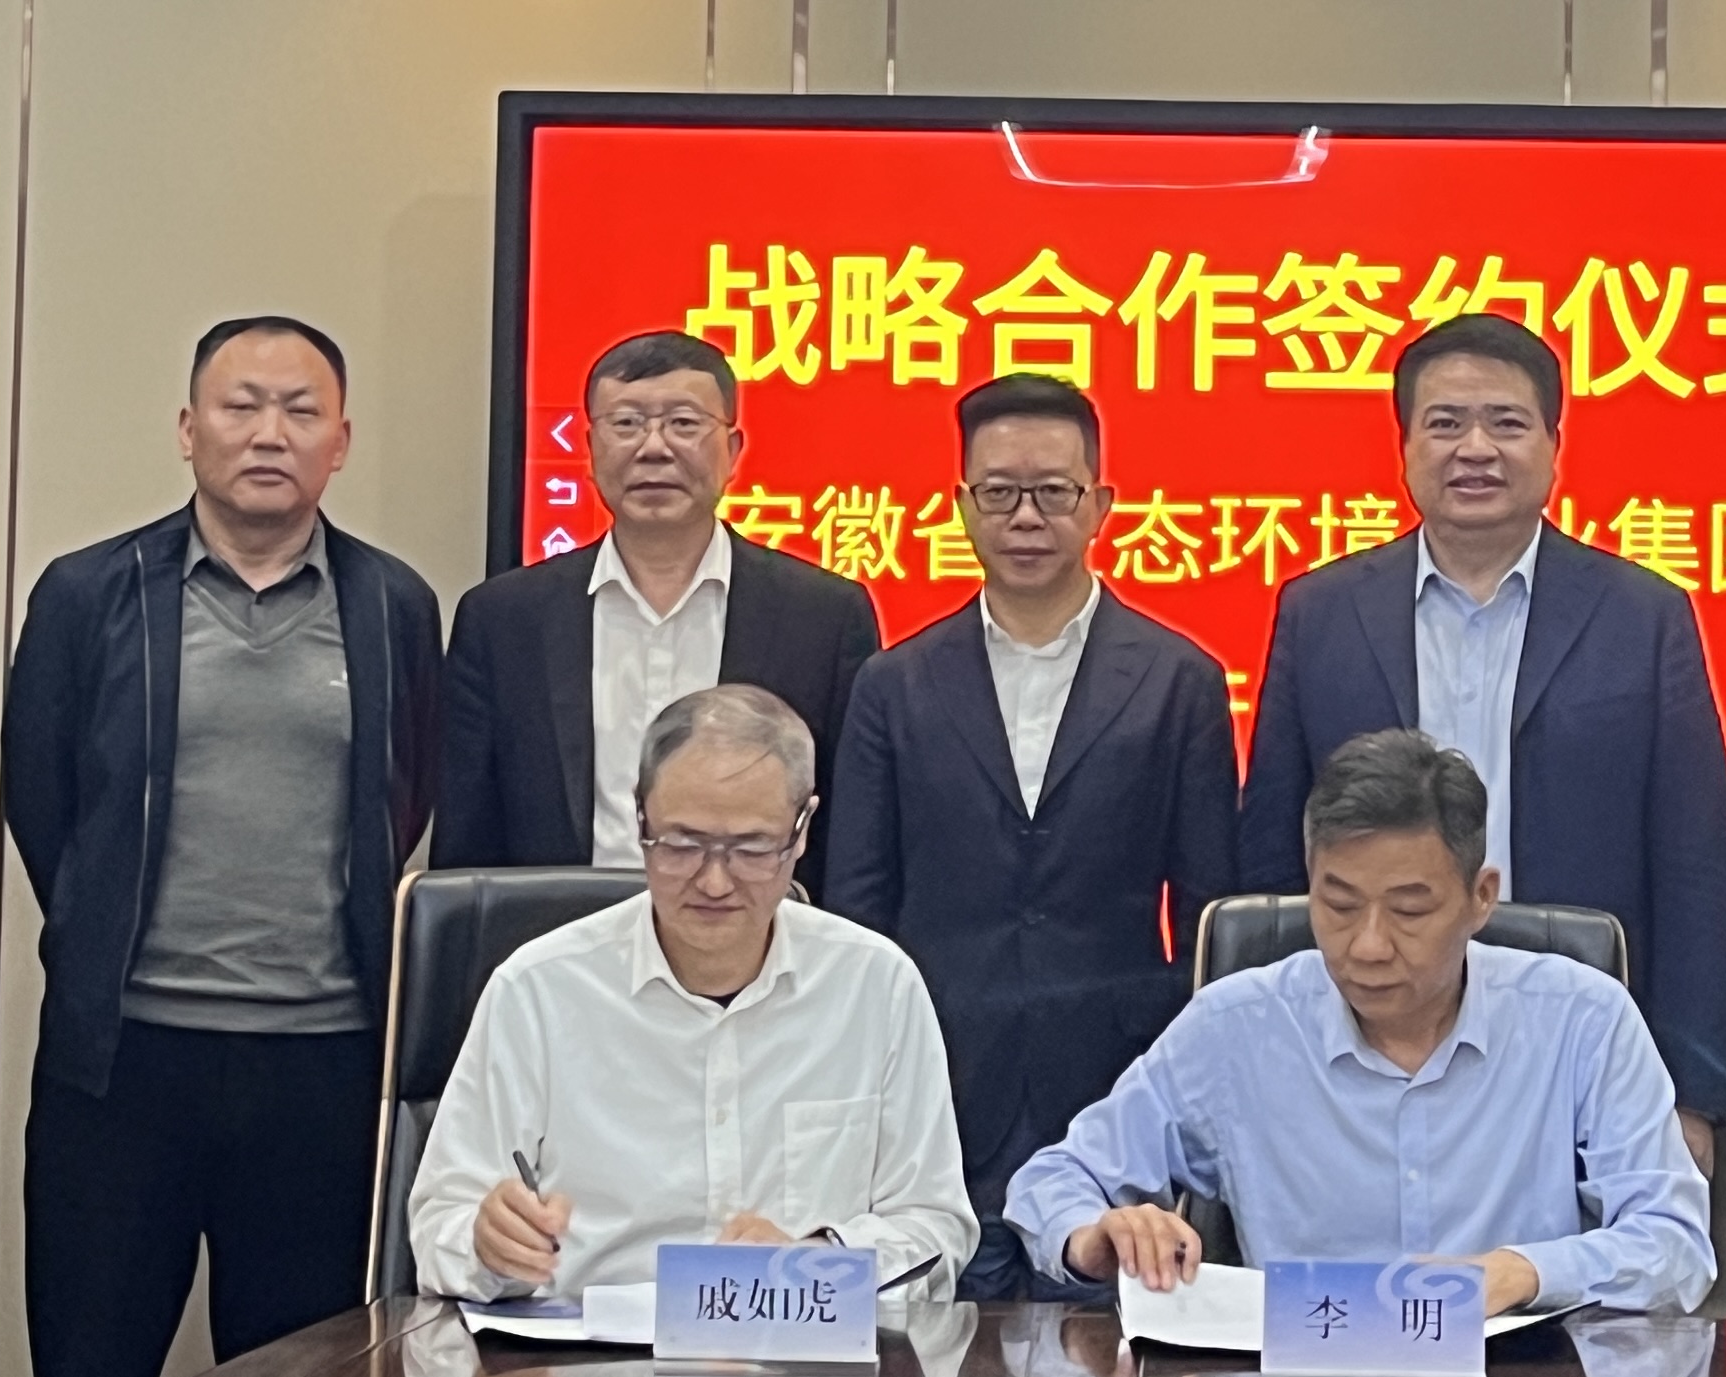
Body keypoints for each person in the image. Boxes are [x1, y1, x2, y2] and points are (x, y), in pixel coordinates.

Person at [1, 314, 441, 1377]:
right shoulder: (89, 594)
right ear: (189, 430)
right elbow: (43, 799)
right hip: (124, 1065)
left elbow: (408, 796)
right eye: (242, 406)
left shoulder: (391, 604)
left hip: (324, 1066)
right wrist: (102, 931)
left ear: (340, 442)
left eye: (301, 411)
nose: (269, 433)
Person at [1238, 314, 1726, 1164]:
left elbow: (1696, 862)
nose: (1475, 448)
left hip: (1577, 1039)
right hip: (1358, 1037)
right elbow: (1269, 851)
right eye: (1445, 424)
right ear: (1404, 448)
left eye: (1506, 423)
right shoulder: (1322, 612)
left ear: (1554, 446)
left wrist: (1690, 1096)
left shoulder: (1642, 617)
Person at [1011, 727, 1718, 1316]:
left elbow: (1676, 1244)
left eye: (1410, 910)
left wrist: (1521, 1272)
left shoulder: (1581, 1018)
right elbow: (1055, 1179)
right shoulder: (1237, 1027)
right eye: (1340, 905)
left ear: (1481, 897)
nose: (1369, 945)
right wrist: (1093, 1235)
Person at [822, 373, 1240, 1297]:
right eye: (999, 492)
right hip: (937, 1078)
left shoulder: (1180, 680)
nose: (1025, 516)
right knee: (926, 1347)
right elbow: (857, 904)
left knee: (1104, 1353)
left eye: (1053, 491)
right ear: (962, 505)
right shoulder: (894, 683)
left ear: (1101, 505)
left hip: (1112, 1081)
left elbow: (1208, 909)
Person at [412, 683, 974, 1300]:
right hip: (583, 1346)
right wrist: (488, 1245)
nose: (713, 881)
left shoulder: (876, 985)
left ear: (802, 829)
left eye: (752, 848)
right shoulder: (538, 989)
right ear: (640, 819)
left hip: (797, 1342)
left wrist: (822, 1259)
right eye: (681, 844)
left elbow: (935, 1227)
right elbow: (440, 1224)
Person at [435, 329, 882, 881]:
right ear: (590, 448)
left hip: (757, 928)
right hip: (557, 930)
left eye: (684, 424)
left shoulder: (823, 618)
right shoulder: (504, 620)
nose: (653, 448)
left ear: (733, 450)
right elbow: (468, 845)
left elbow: (849, 830)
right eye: (626, 424)